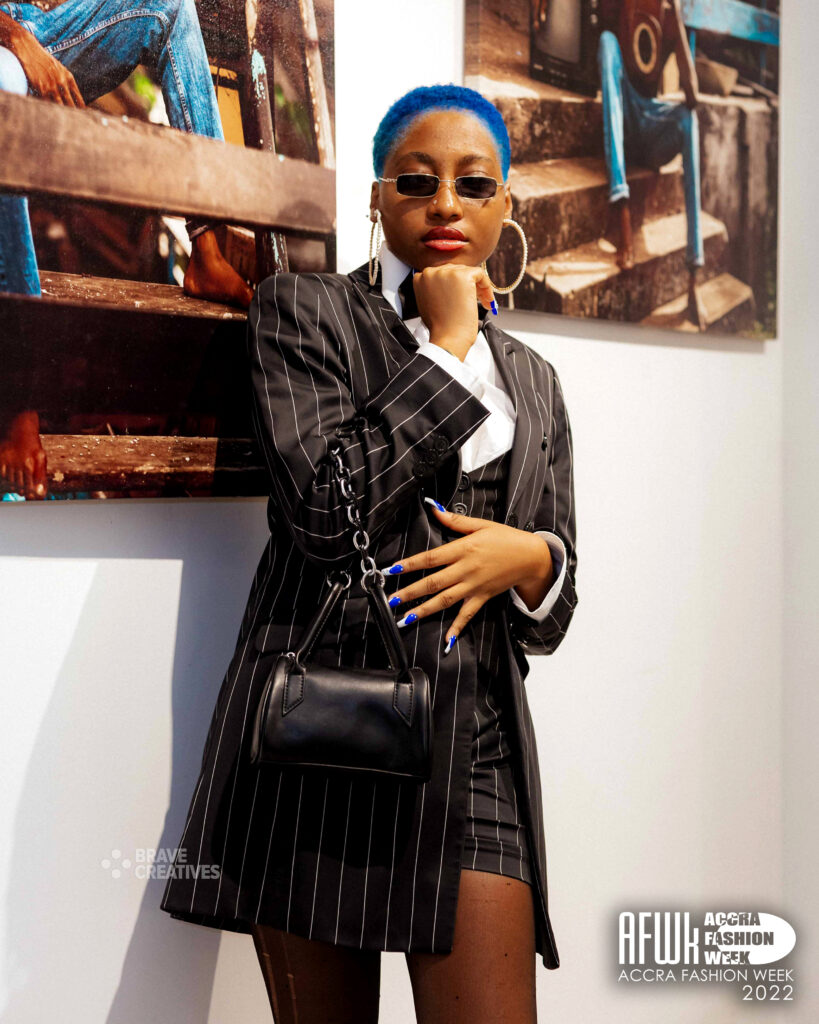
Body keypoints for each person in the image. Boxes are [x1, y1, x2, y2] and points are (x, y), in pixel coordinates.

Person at [159, 83, 579, 1023]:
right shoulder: (302, 312)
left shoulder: (534, 381)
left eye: (474, 185)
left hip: (474, 750)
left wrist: (530, 563)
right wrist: (447, 348)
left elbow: (554, 602)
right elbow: (322, 516)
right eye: (417, 181)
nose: (445, 204)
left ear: (505, 204)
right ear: (377, 197)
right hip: (322, 743)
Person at [0, 0, 253, 308]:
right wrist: (19, 40)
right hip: (6, 37)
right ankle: (20, 310)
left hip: (46, 23)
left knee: (171, 6)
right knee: (4, 91)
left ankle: (207, 253)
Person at [594, 0, 707, 328]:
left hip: (652, 131)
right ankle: (622, 211)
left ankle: (694, 271)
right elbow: (601, 53)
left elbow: (693, 96)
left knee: (689, 118)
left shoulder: (667, 13)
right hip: (624, 117)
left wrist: (678, 23)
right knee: (607, 41)